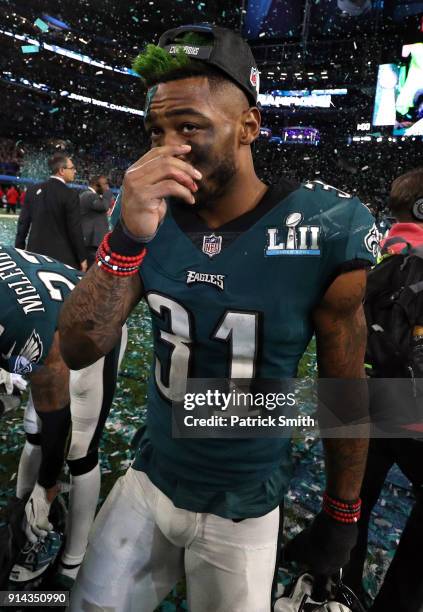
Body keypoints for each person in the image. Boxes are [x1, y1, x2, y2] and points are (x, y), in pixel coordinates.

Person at [59, 24, 378, 612]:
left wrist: (342, 513)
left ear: (249, 127)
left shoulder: (325, 227)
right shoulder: (149, 219)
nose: (167, 148)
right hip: (149, 477)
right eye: (156, 130)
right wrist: (126, 237)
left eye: (190, 127)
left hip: (245, 504)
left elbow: (344, 386)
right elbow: (80, 348)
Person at [0, 245, 126, 588]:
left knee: (79, 451)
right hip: (43, 317)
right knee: (33, 432)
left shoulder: (18, 332)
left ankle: (71, 563)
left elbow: (55, 411)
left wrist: (47, 484)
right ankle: (22, 512)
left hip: (89, 328)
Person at [343, 168, 423, 612]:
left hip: (355, 393)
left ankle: (341, 584)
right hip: (411, 402)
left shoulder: (367, 250)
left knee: (351, 499)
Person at [15, 154, 87, 271]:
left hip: (34, 256)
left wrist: (19, 252)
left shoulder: (32, 190)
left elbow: (23, 225)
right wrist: (82, 257)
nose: (75, 171)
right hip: (62, 259)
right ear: (62, 170)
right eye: (72, 168)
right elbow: (75, 229)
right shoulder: (70, 194)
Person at [79, 175, 113, 268]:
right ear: (95, 184)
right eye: (105, 184)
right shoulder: (88, 195)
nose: (107, 187)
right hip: (91, 242)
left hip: (93, 242)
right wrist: (107, 193)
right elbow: (104, 206)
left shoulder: (92, 196)